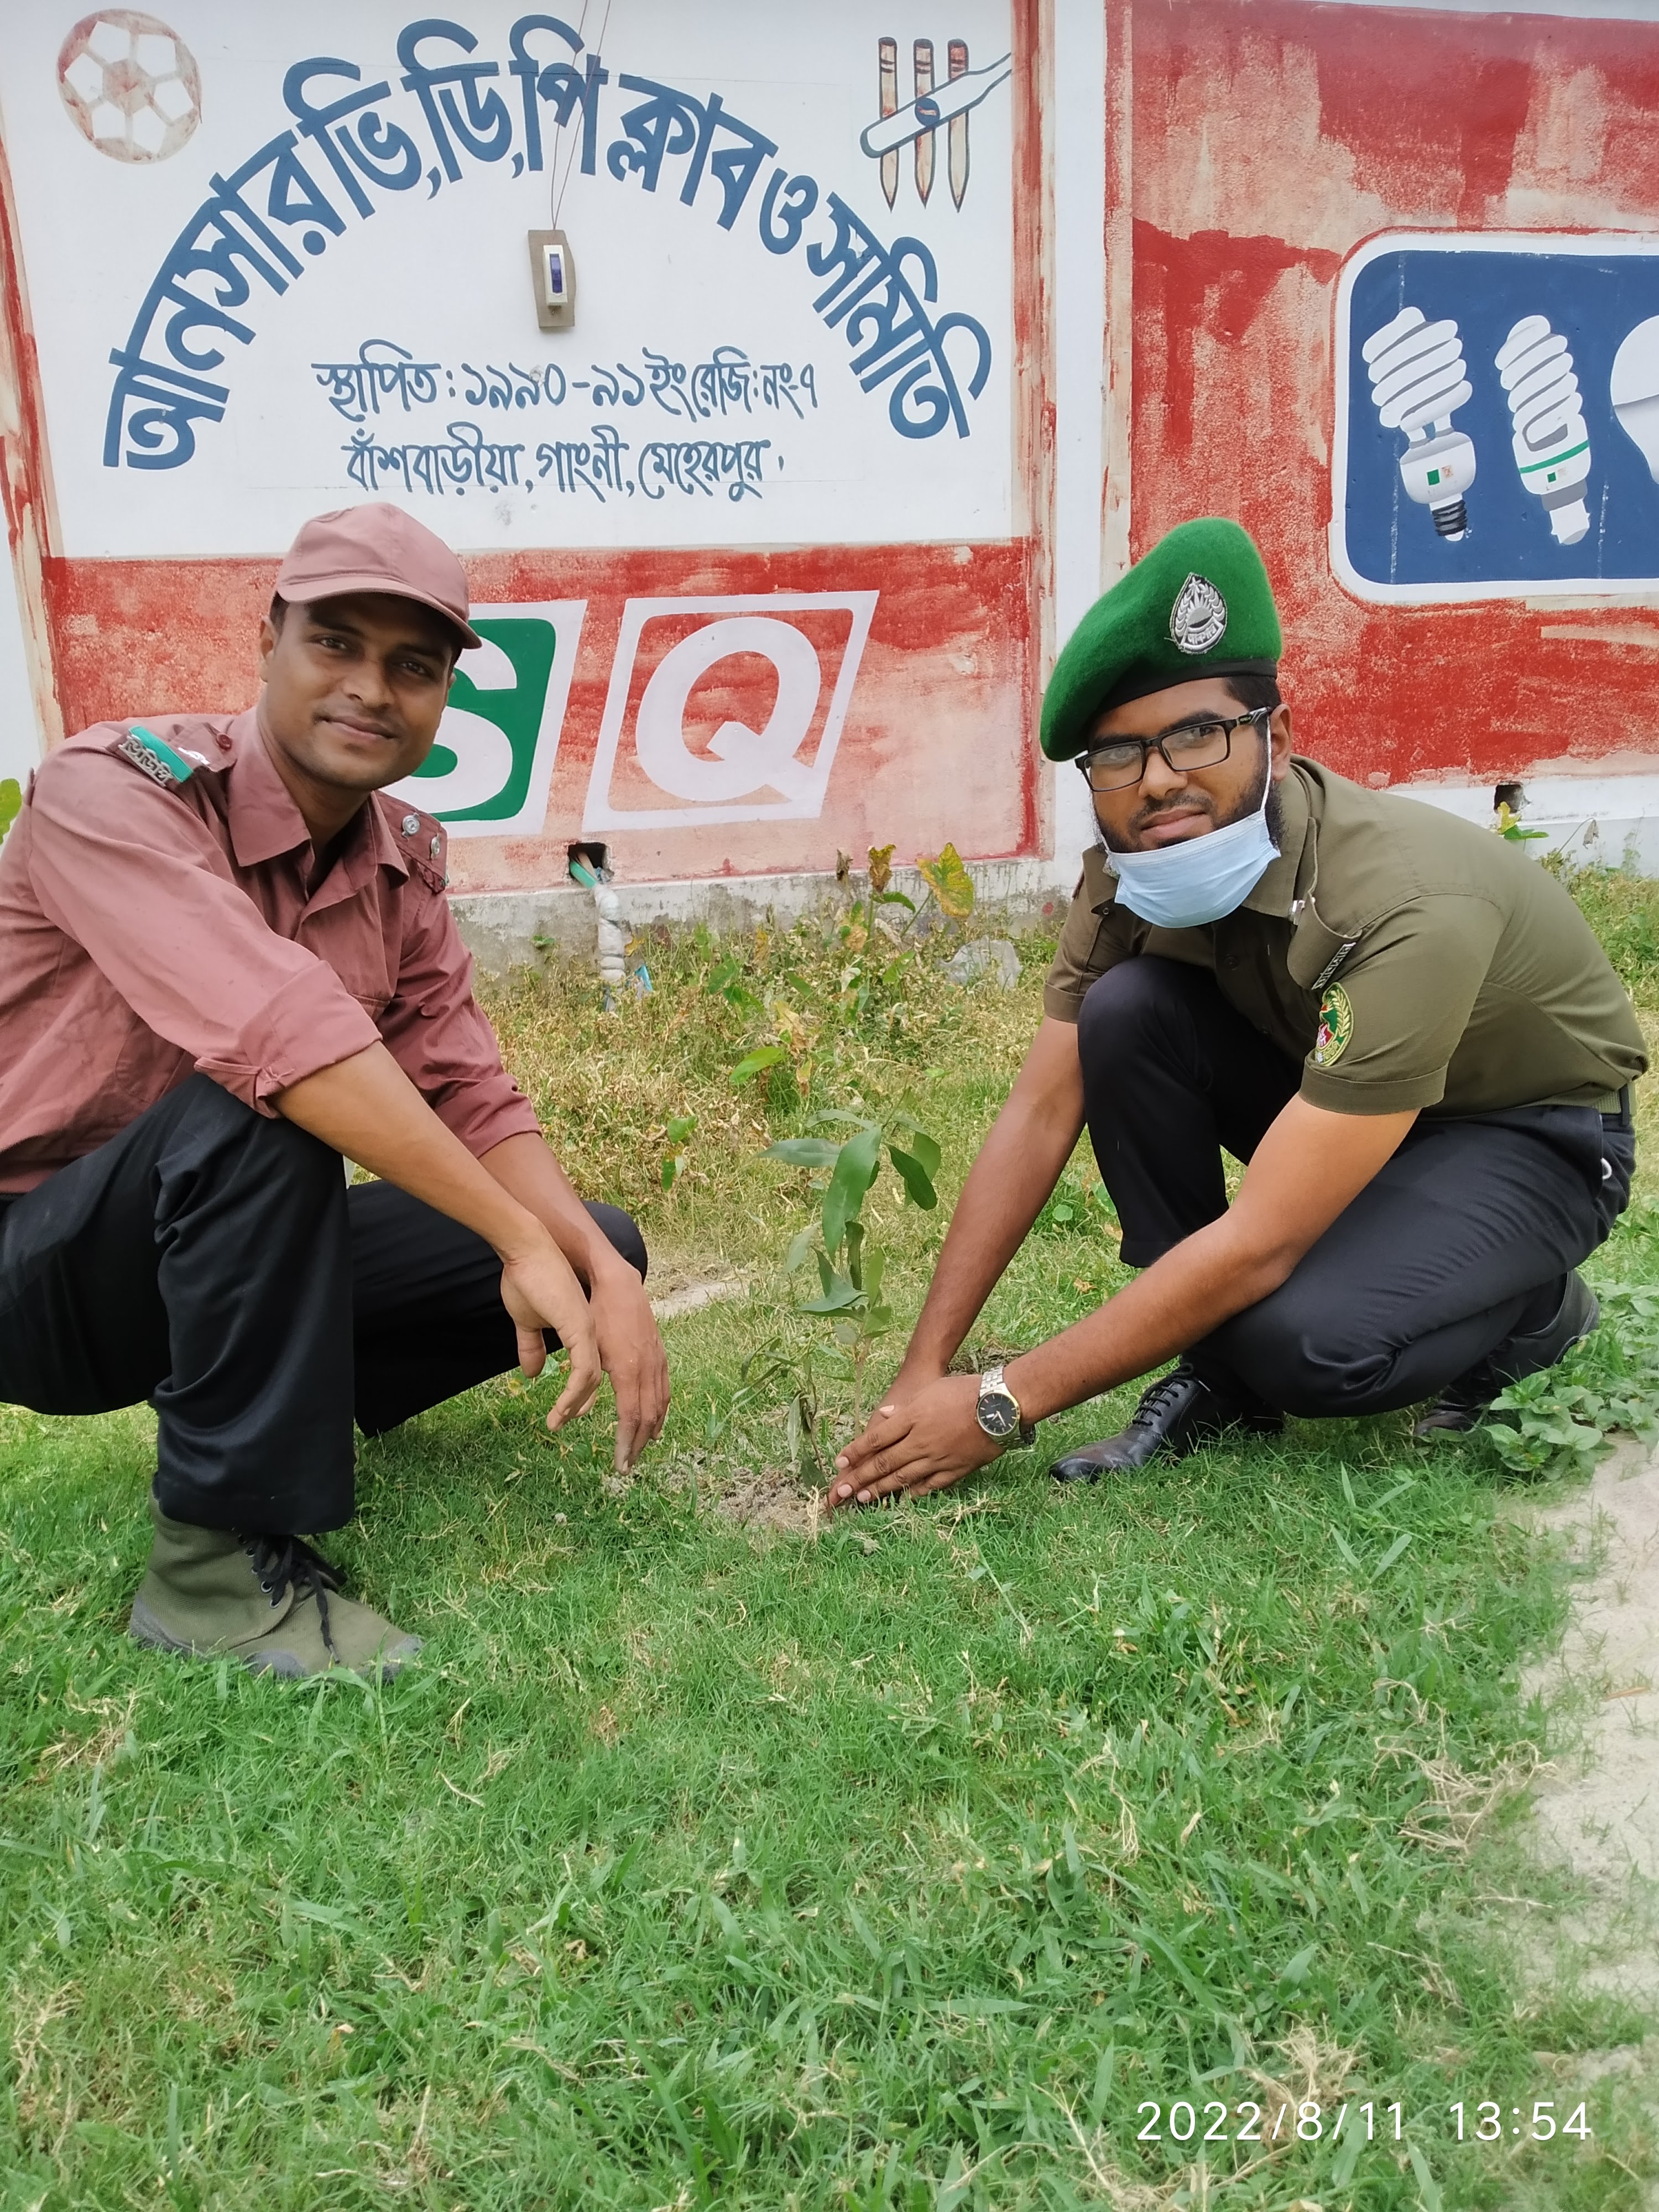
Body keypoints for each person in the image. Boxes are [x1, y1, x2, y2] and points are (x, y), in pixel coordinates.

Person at [826, 518, 1646, 1511]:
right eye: (1119, 755)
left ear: (1277, 740)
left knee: (1305, 1344)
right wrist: (922, 1372)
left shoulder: (1402, 902)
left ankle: (1534, 1309)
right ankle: (1218, 1375)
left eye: (1196, 735)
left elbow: (1263, 1241)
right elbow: (1039, 1112)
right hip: (1338, 1108)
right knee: (1127, 1012)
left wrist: (1000, 1404)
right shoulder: (1127, 879)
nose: (1159, 780)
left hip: (1525, 1134)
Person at [0, 502, 668, 1676]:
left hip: (198, 1251)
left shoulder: (398, 863)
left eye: (413, 666)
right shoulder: (116, 791)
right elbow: (283, 1035)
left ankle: (285, 1410)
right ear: (269, 640)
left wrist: (590, 1262)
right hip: (36, 1268)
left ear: (443, 695)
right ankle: (211, 1573)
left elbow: (469, 1089)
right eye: (336, 643)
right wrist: (516, 1235)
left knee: (588, 1238)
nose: (370, 689)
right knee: (264, 1105)